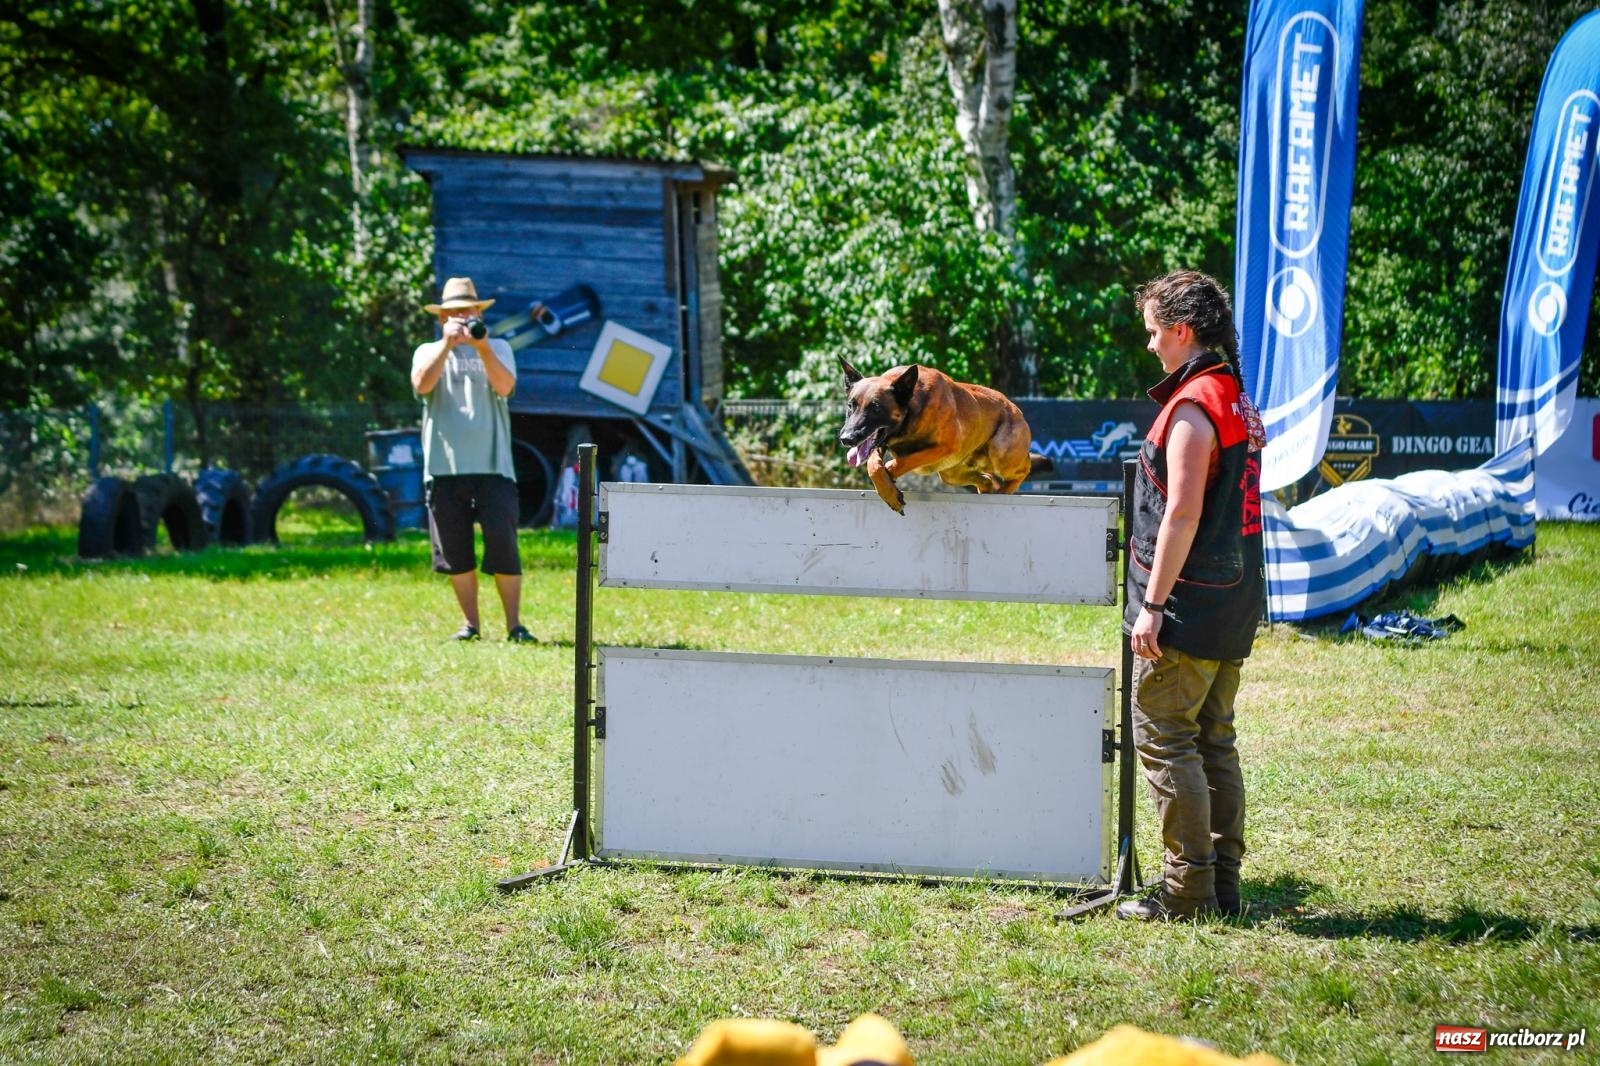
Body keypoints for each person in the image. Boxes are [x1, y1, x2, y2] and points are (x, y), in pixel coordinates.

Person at [1116, 270, 1265, 921]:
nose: (1150, 345)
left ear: (1182, 330)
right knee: (1214, 739)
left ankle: (1188, 894)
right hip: (1232, 601)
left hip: (1189, 608)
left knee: (1167, 737)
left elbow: (1179, 514)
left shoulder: (1195, 407)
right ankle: (1222, 885)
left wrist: (1151, 606)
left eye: (1154, 332)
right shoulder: (1232, 395)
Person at [411, 276, 537, 643]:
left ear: (479, 312)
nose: (463, 318)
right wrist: (448, 345)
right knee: (455, 551)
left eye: (469, 311)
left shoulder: (498, 347)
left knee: (504, 546)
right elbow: (422, 385)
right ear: (442, 318)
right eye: (455, 313)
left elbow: (504, 387)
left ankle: (514, 625)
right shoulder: (427, 350)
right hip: (443, 468)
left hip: (494, 467)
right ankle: (471, 625)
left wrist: (481, 348)